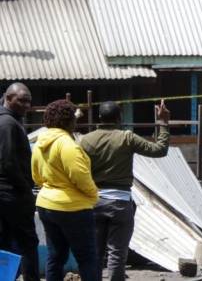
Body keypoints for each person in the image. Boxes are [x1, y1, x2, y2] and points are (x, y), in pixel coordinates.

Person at [80, 100, 170, 281]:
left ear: (99, 118)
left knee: (95, 254)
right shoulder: (127, 138)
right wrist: (163, 124)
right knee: (117, 254)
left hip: (94, 203)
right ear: (119, 118)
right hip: (120, 204)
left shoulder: (85, 140)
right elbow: (159, 150)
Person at [32, 100, 99, 281]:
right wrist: (94, 196)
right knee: (87, 258)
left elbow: (37, 176)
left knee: (55, 256)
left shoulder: (40, 144)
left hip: (46, 205)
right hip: (72, 208)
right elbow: (81, 177)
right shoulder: (68, 145)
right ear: (70, 121)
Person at [0, 83, 40, 281]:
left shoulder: (11, 121)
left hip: (9, 192)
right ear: (8, 98)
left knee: (6, 243)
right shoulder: (7, 123)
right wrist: (25, 189)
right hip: (12, 193)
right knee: (28, 243)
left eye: (29, 101)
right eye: (21, 100)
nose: (27, 105)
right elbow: (8, 161)